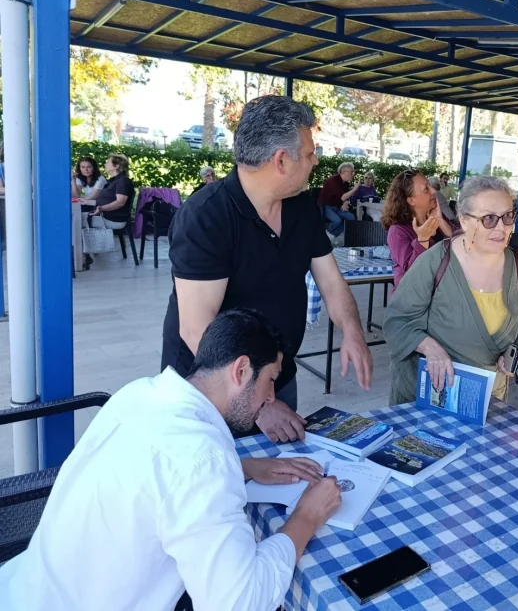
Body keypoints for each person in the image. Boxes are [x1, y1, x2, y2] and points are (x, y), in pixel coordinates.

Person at [0, 309, 341, 611]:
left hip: (24, 589)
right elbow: (240, 602)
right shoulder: (202, 460)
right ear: (240, 370)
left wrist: (245, 467)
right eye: (269, 381)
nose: (270, 397)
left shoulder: (140, 393)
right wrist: (307, 516)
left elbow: (159, 473)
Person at [162, 96, 373, 444]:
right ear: (280, 160)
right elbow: (196, 327)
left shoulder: (301, 208)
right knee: (217, 488)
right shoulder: (206, 216)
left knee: (280, 478)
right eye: (308, 154)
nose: (315, 161)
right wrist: (259, 405)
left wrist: (352, 331)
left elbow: (331, 281)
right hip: (214, 390)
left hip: (276, 374)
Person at [384, 176, 518, 404]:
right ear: (464, 221)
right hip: (427, 396)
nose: (501, 227)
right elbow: (397, 320)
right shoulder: (435, 262)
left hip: (486, 399)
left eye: (508, 216)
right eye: (489, 219)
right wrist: (429, 347)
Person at [382, 170, 455, 288]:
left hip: (444, 297)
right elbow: (412, 270)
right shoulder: (398, 231)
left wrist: (441, 221)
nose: (434, 191)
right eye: (426, 189)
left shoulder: (438, 217)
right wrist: (423, 239)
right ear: (411, 200)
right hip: (414, 301)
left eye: (430, 185)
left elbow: (464, 247)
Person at [83, 153, 135, 230]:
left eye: (108, 162)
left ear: (116, 166)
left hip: (113, 220)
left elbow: (120, 202)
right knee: (74, 216)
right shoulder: (114, 181)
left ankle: (77, 242)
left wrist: (101, 208)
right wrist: (84, 201)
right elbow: (105, 201)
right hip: (104, 216)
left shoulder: (123, 181)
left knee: (74, 220)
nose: (105, 164)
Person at [319, 161, 358, 240]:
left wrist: (345, 202)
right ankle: (324, 235)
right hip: (326, 206)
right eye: (351, 171)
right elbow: (343, 196)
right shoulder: (333, 181)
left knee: (351, 217)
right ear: (344, 172)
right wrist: (355, 188)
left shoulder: (345, 183)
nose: (352, 174)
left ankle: (332, 235)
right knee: (337, 220)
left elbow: (345, 197)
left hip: (337, 207)